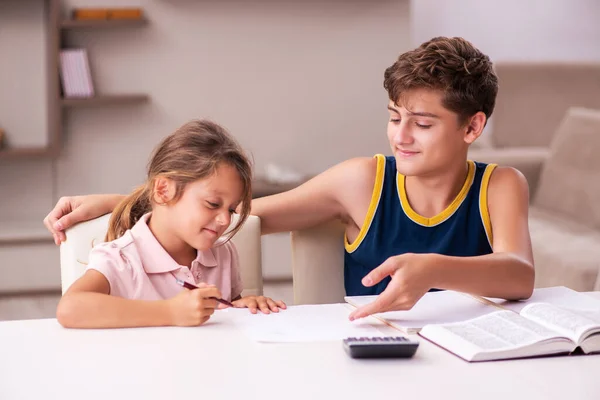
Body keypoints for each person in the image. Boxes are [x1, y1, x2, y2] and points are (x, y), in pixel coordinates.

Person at [46, 37, 533, 321]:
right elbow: (240, 212)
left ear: (472, 127)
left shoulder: (500, 185)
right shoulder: (362, 181)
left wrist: (435, 270)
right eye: (393, 117)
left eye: (422, 124)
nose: (400, 137)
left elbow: (519, 274)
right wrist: (120, 200)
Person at [55, 120, 286, 329]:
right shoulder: (122, 259)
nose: (225, 220)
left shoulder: (223, 253)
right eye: (213, 203)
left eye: (231, 209)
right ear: (163, 190)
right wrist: (170, 312)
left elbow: (224, 315)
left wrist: (243, 307)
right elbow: (70, 308)